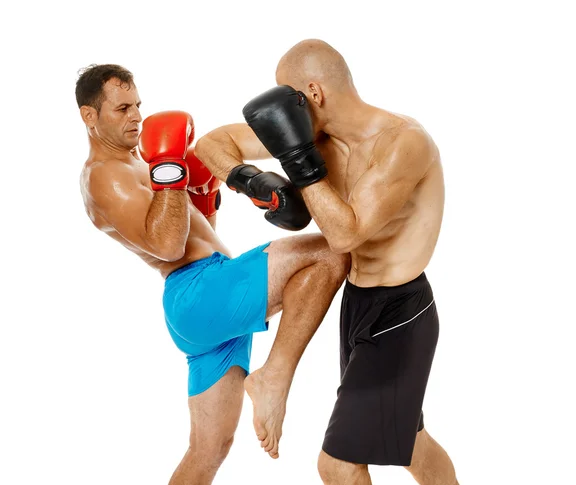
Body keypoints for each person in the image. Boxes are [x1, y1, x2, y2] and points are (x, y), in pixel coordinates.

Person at [195, 39, 459, 484]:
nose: (280, 107)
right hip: (357, 304)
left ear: (312, 94)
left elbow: (345, 233)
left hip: (400, 314)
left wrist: (298, 160)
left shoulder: (402, 143)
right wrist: (252, 179)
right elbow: (211, 144)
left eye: (287, 96)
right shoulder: (318, 136)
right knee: (409, 440)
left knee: (336, 464)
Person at [76, 64, 349, 484]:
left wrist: (204, 196)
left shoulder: (135, 162)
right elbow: (167, 246)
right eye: (122, 109)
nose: (136, 117)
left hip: (207, 296)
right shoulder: (104, 178)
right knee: (334, 251)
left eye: (138, 106)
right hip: (200, 293)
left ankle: (269, 377)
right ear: (89, 116)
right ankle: (274, 375)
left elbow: (191, 236)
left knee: (208, 451)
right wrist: (169, 169)